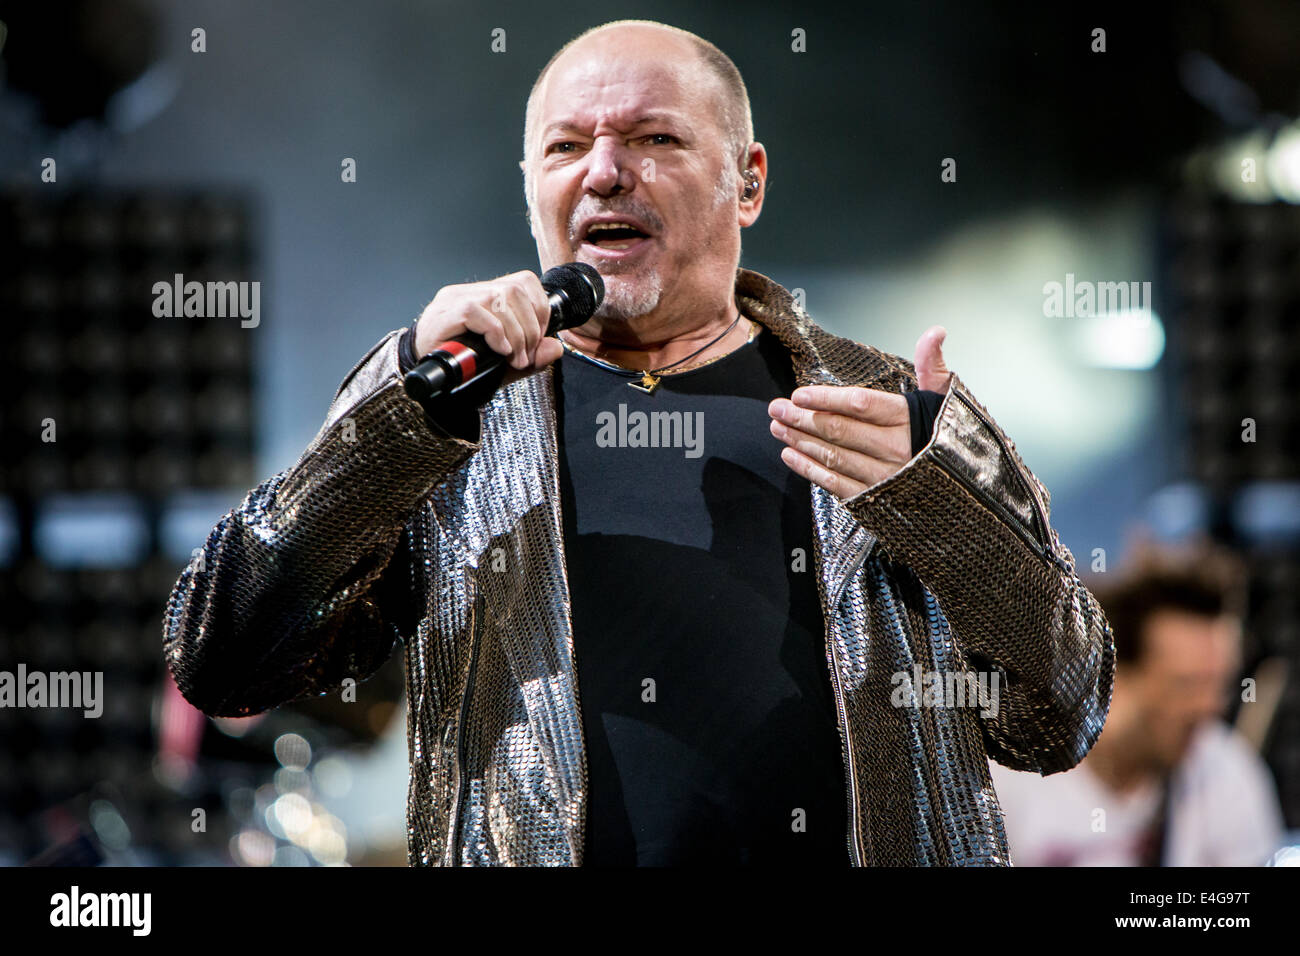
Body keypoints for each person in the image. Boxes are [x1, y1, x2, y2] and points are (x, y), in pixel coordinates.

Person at [163, 19, 1114, 866]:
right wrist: (400, 398)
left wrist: (944, 508)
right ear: (532, 182)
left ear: (748, 181)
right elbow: (225, 656)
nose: (605, 171)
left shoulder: (884, 407)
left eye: (655, 138)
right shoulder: (442, 407)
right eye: (567, 145)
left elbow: (1060, 717)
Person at [989, 540, 1286, 866]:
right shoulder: (1009, 777)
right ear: (1114, 679)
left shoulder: (1228, 777)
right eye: (1186, 684)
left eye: (1221, 685)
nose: (1211, 706)